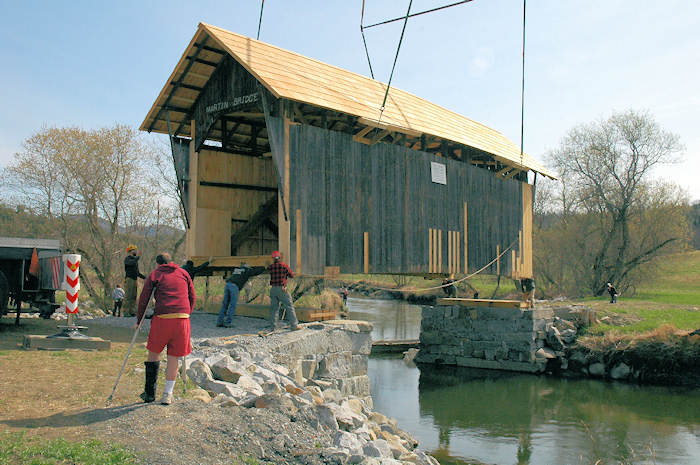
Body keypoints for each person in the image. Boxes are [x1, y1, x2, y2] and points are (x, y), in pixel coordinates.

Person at [134, 252, 195, 405]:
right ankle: (168, 393)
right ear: (171, 262)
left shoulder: (156, 274)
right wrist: (187, 313)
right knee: (174, 357)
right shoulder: (184, 273)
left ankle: (149, 393)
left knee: (154, 354)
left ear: (158, 264)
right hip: (182, 319)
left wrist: (139, 319)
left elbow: (144, 298)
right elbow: (192, 296)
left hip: (163, 318)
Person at [217, 262, 266, 327]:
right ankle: (228, 323)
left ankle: (219, 322)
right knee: (232, 305)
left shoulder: (237, 269)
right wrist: (264, 267)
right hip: (234, 287)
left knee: (225, 304)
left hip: (228, 285)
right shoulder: (247, 270)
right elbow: (255, 272)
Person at [267, 251, 299, 331]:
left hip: (273, 289)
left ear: (273, 258)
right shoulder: (284, 266)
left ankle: (273, 327)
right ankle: (294, 325)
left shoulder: (271, 267)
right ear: (280, 258)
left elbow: (268, 270)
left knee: (274, 309)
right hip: (282, 289)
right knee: (289, 306)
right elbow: (291, 275)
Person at [123, 245, 145, 317]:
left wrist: (145, 277)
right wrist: (137, 257)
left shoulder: (135, 260)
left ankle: (132, 311)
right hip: (129, 279)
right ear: (130, 251)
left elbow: (137, 272)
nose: (136, 251)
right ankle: (126, 312)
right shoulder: (127, 259)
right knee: (128, 296)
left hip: (135, 279)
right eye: (134, 250)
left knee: (134, 296)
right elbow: (131, 263)